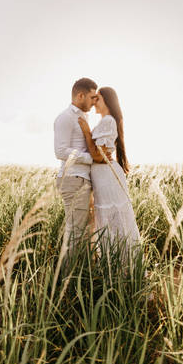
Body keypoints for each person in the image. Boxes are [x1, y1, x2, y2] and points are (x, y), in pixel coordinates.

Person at [78, 87, 141, 258]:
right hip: (103, 175)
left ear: (105, 99)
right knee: (108, 219)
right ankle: (113, 264)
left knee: (113, 219)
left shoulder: (108, 121)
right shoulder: (104, 121)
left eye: (97, 98)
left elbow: (98, 155)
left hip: (107, 175)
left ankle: (123, 266)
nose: (93, 101)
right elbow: (98, 153)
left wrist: (86, 132)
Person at [54, 78, 108, 259]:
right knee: (76, 233)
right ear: (80, 95)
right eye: (92, 97)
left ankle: (82, 275)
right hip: (73, 178)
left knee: (84, 232)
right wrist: (91, 158)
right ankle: (67, 281)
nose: (95, 102)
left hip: (81, 179)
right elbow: (60, 151)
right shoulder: (65, 117)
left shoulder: (84, 117)